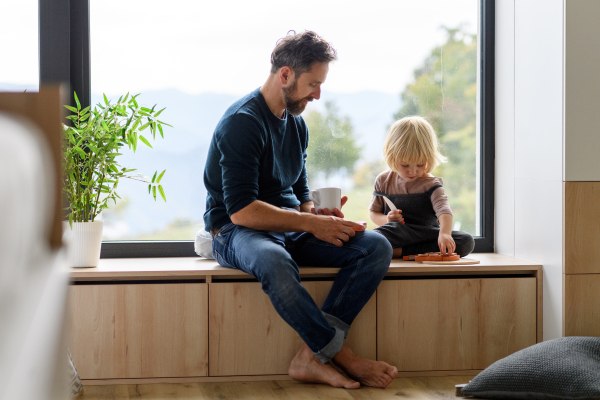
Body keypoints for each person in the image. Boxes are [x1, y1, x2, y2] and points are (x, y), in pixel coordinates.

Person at [203, 31, 397, 389]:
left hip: (290, 227)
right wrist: (308, 221)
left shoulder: (296, 124)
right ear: (285, 74)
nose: (317, 95)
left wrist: (315, 214)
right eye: (313, 84)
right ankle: (342, 357)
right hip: (235, 233)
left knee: (375, 247)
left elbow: (298, 191)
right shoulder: (242, 123)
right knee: (275, 262)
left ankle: (310, 356)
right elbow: (241, 211)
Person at [369, 116, 475, 258]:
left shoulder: (431, 184)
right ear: (392, 157)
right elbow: (374, 213)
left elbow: (445, 213)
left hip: (426, 234)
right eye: (405, 165)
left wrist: (444, 234)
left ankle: (397, 252)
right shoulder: (383, 180)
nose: (412, 171)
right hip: (398, 232)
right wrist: (387, 220)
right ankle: (404, 249)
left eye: (420, 164)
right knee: (375, 236)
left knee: (465, 241)